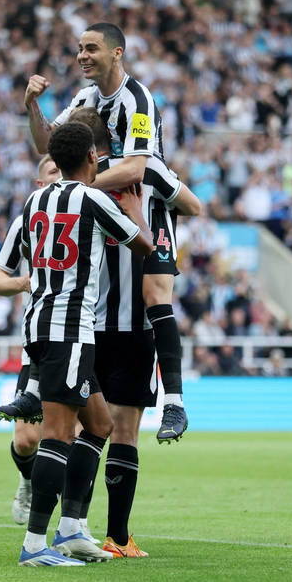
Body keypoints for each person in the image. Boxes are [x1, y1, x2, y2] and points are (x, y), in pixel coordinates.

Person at [25, 22, 193, 443]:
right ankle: (32, 389)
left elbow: (137, 167)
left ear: (117, 54)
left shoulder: (138, 100)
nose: (82, 55)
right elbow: (49, 147)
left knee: (154, 294)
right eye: (80, 48)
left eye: (92, 48)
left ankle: (173, 400)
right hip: (104, 206)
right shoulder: (83, 98)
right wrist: (32, 107)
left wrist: (77, 189)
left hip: (146, 202)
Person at [16, 123, 153, 566]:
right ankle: (35, 545)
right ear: (93, 158)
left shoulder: (34, 200)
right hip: (70, 327)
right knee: (58, 434)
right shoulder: (93, 199)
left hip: (40, 324)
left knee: (99, 424)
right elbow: (144, 246)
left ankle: (72, 528)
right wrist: (135, 208)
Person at [67, 106, 194, 556]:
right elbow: (195, 205)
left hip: (89, 325)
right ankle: (117, 538)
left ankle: (72, 530)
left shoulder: (75, 184)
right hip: (138, 327)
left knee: (82, 433)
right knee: (123, 434)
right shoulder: (149, 169)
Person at [0, 154, 101, 545]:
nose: (60, 178)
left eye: (61, 170)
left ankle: (74, 525)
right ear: (40, 185)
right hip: (37, 347)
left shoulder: (87, 210)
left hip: (79, 337)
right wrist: (25, 283)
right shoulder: (27, 220)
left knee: (84, 430)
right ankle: (28, 482)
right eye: (51, 173)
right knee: (26, 441)